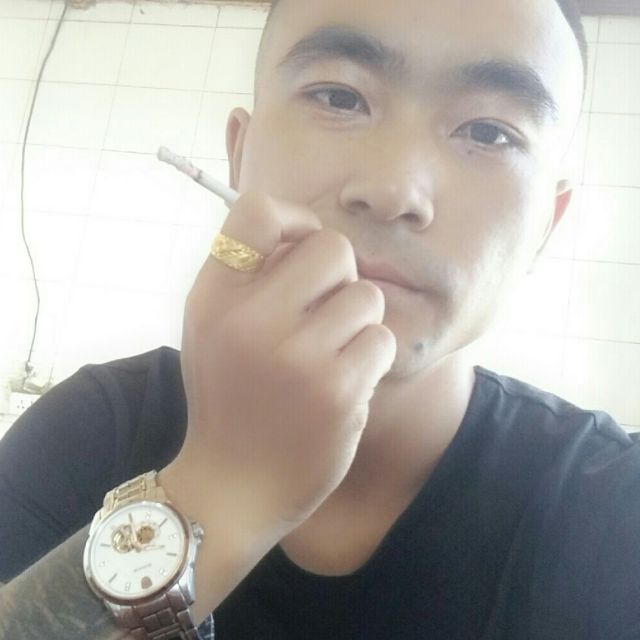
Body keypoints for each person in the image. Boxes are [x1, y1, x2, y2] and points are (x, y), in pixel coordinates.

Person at [1, 0, 639, 638]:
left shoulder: (615, 508)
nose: (393, 191)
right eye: (339, 97)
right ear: (239, 154)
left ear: (546, 225)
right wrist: (219, 488)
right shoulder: (91, 427)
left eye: (489, 133)